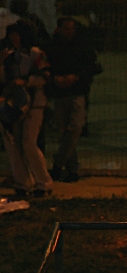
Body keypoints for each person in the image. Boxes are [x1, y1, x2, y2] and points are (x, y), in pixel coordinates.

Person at [0, 19, 52, 197]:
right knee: (16, 146)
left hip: (35, 104)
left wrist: (26, 82)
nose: (13, 38)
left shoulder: (35, 54)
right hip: (16, 105)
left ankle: (43, 182)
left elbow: (45, 76)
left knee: (29, 143)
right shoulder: (10, 56)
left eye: (16, 34)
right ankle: (23, 182)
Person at [45, 16, 100, 183]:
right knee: (65, 132)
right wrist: (56, 78)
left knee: (75, 128)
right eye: (66, 29)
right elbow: (47, 65)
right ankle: (71, 169)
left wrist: (75, 77)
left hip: (77, 92)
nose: (70, 32)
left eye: (71, 29)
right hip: (60, 94)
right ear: (59, 29)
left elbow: (92, 66)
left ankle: (58, 165)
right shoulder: (53, 46)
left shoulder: (81, 45)